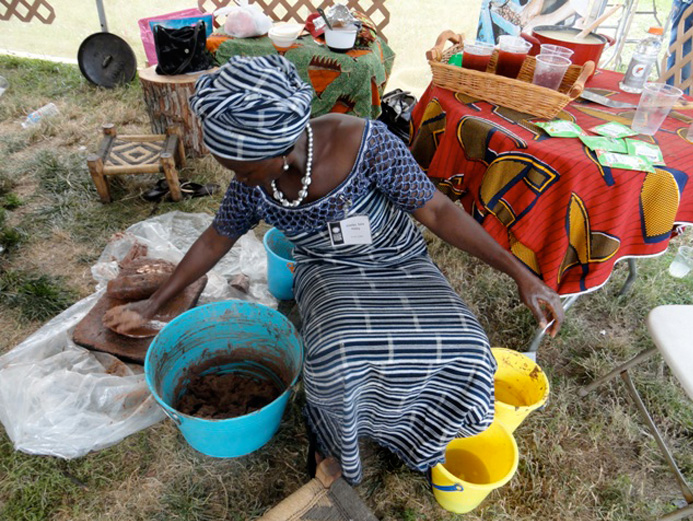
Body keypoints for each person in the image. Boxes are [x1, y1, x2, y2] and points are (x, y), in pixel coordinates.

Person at [104, 54, 563, 485]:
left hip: (397, 262)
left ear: (279, 147)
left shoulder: (366, 145)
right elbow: (214, 239)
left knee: (464, 348)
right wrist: (152, 305)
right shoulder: (254, 183)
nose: (238, 181)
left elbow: (440, 212)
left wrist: (520, 273)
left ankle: (424, 440)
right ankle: (340, 450)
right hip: (328, 272)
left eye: (242, 170)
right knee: (337, 359)